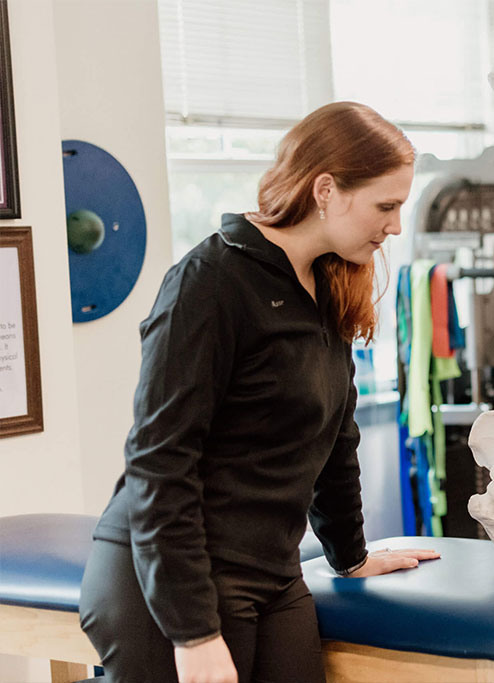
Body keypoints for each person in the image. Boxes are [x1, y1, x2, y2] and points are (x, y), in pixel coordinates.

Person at [79, 101, 440, 683]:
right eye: (386, 205)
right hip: (172, 577)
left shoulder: (327, 283)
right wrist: (192, 632)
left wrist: (351, 555)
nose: (395, 226)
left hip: (272, 572)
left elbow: (335, 438)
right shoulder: (211, 281)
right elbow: (159, 461)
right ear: (327, 190)